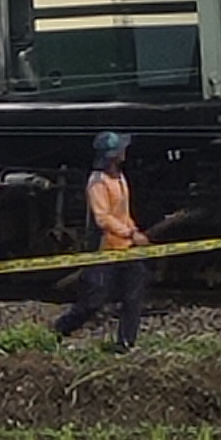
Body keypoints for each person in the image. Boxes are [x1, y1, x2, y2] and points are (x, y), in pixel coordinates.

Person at [53, 131, 149, 351]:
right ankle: (61, 328)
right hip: (105, 248)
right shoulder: (97, 182)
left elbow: (123, 212)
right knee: (94, 300)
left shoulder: (120, 177)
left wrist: (133, 230)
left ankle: (125, 342)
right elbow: (103, 218)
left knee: (134, 294)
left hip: (126, 247)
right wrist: (130, 233)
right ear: (112, 154)